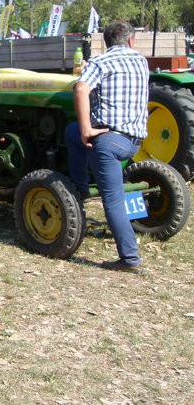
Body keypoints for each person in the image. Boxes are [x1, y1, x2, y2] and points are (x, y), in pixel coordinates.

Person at [65, 21, 148, 273]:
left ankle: (129, 258)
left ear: (106, 43)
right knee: (71, 133)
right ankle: (80, 186)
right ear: (131, 41)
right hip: (134, 141)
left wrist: (86, 128)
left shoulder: (100, 62)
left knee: (112, 200)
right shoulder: (142, 61)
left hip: (108, 142)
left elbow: (80, 88)